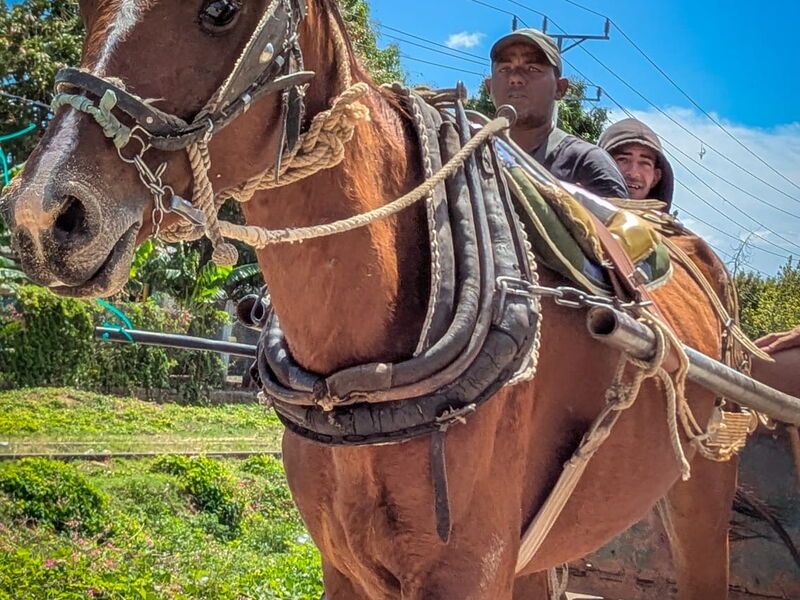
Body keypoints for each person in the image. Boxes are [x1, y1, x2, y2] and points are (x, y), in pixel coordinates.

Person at [486, 28, 628, 198]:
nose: (515, 78)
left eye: (532, 68)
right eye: (504, 69)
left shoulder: (586, 163)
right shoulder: (468, 155)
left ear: (560, 88)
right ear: (489, 87)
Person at [598, 118, 675, 210]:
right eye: (622, 160)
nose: (633, 174)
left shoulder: (661, 220)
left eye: (644, 163)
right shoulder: (581, 212)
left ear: (655, 178)